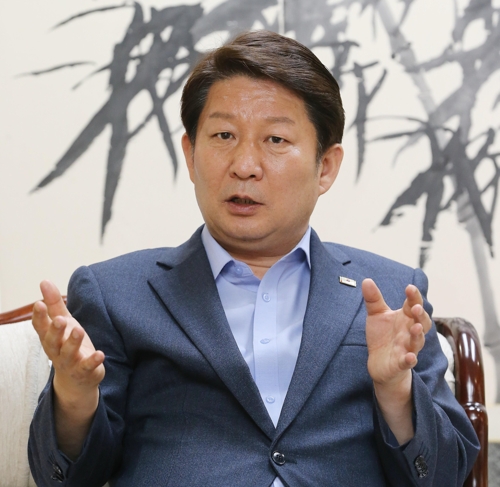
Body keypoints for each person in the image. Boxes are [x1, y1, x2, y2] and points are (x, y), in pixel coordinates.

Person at [29, 30, 479, 486]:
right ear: (191, 154)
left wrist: (395, 391)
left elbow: (444, 476)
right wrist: (75, 396)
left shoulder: (390, 293)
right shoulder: (116, 294)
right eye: (224, 135)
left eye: (276, 140)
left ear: (325, 167)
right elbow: (66, 479)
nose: (244, 165)